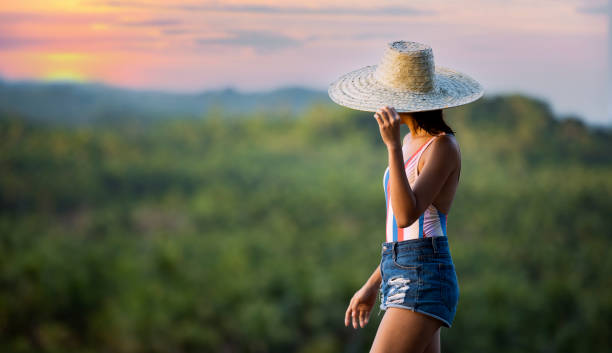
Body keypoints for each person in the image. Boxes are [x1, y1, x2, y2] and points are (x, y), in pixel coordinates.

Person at [328, 40, 484, 353]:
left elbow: (406, 214)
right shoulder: (413, 140)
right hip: (400, 268)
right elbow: (401, 236)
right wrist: (373, 284)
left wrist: (392, 146)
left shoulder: (442, 147)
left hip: (425, 274)